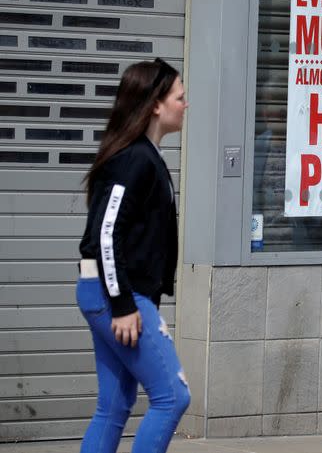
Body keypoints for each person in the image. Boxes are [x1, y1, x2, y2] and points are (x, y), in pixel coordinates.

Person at [77, 58, 190, 453]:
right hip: (117, 295)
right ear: (156, 104)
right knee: (173, 396)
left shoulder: (144, 157)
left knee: (114, 404)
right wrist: (124, 303)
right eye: (180, 96)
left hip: (107, 292)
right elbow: (104, 235)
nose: (185, 104)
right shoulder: (135, 159)